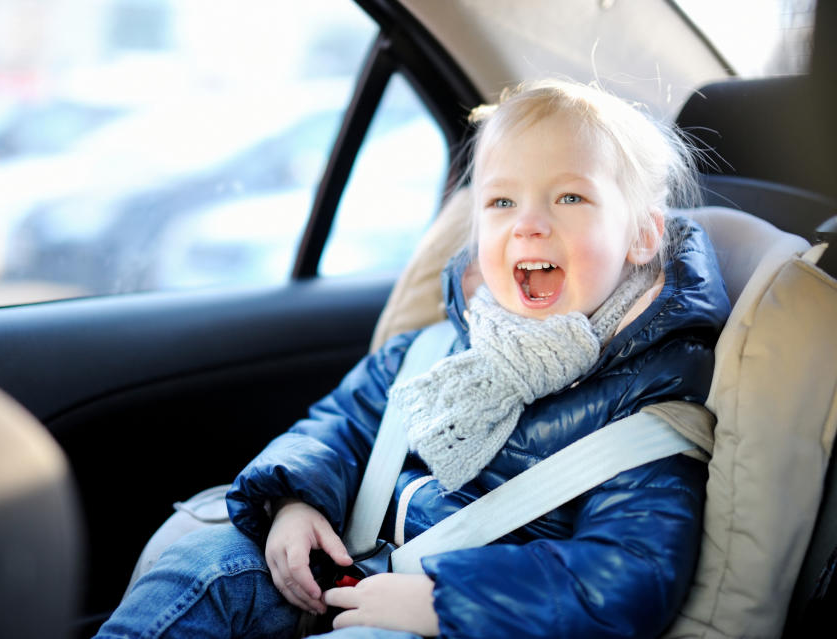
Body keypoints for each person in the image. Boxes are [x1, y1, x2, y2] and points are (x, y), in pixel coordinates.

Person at [94, 79, 730, 639]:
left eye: (570, 198)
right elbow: (339, 424)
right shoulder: (437, 347)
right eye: (501, 202)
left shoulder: (647, 399)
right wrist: (295, 502)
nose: (527, 225)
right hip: (351, 566)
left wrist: (443, 601)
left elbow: (630, 578)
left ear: (643, 235)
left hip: (469, 617)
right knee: (203, 567)